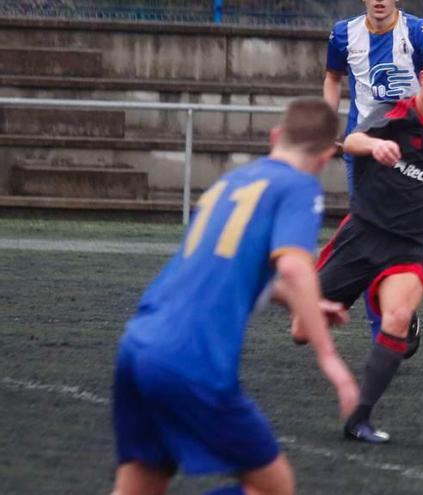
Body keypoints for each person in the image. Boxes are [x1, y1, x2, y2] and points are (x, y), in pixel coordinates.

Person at [111, 98, 359, 494]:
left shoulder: (233, 181)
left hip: (138, 344)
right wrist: (330, 359)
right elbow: (294, 267)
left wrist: (306, 303)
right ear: (328, 155)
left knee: (142, 483)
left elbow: (230, 267)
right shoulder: (299, 185)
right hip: (191, 359)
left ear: (275, 137)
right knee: (274, 487)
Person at [298, 45, 423, 443]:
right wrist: (375, 146)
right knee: (301, 330)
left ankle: (359, 419)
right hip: (361, 238)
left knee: (398, 318)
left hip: (408, 250)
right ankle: (357, 293)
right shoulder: (394, 115)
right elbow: (350, 141)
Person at [324, 0, 423, 348]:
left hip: (412, 152)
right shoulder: (343, 34)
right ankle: (385, 334)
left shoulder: (419, 34)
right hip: (362, 151)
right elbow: (332, 78)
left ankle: (401, 306)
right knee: (370, 238)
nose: (379, 0)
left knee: (408, 239)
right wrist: (328, 123)